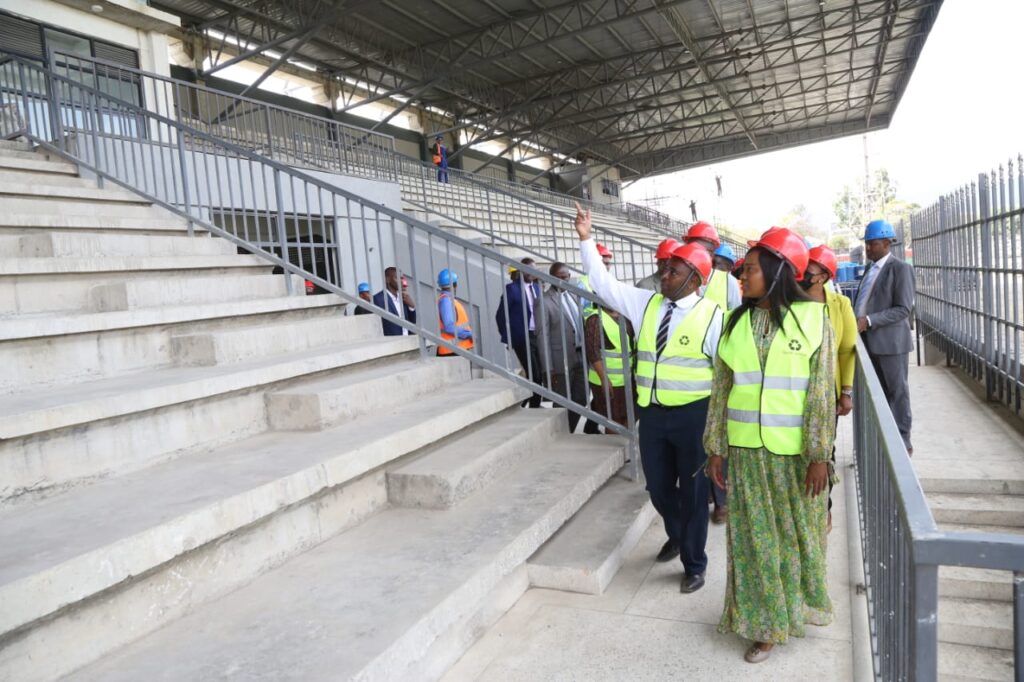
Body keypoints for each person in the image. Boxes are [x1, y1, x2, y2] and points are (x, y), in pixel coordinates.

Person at [574, 202, 723, 594]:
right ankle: (677, 533)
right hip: (653, 415)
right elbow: (605, 286)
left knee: (692, 494)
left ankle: (694, 562)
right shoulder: (648, 304)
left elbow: (725, 375)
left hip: (693, 416)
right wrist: (586, 240)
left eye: (673, 270)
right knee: (658, 486)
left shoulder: (712, 317)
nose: (664, 273)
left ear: (695, 278)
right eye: (665, 267)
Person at [705, 227, 835, 664]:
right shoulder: (734, 322)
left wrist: (820, 456)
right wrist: (715, 447)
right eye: (743, 269)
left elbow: (820, 394)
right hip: (745, 454)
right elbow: (721, 389)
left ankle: (789, 610)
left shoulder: (815, 320)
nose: (743, 276)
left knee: (794, 541)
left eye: (753, 269)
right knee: (753, 544)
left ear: (779, 272)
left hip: (795, 458)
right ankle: (765, 626)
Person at [683, 221, 741, 524]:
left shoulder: (726, 282)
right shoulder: (681, 278)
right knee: (695, 442)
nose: (702, 251)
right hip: (685, 378)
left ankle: (721, 501)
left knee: (717, 439)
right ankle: (705, 493)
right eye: (697, 245)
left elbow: (737, 324)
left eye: (707, 247)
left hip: (717, 372)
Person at [804, 245, 857, 532]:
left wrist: (846, 392)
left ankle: (823, 509)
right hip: (793, 393)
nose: (801, 273)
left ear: (823, 276)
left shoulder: (839, 305)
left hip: (827, 396)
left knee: (824, 452)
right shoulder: (790, 302)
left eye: (808, 269)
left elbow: (847, 350)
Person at [855, 219, 915, 453]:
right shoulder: (871, 269)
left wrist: (868, 320)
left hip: (891, 343)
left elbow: (903, 309)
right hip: (871, 342)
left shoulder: (900, 269)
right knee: (879, 393)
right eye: (867, 244)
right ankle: (885, 438)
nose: (868, 248)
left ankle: (903, 440)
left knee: (897, 391)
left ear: (887, 243)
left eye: (873, 244)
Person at [534, 262, 587, 432]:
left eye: (567, 277)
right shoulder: (543, 301)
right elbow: (543, 336)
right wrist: (547, 367)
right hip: (560, 361)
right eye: (560, 278)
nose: (564, 281)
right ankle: (561, 433)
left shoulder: (573, 295)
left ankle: (568, 430)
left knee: (581, 397)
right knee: (562, 401)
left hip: (580, 356)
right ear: (551, 278)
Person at [496, 258, 543, 408]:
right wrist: (507, 337)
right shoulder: (511, 289)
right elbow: (501, 315)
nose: (531, 273)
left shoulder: (537, 288)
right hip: (522, 337)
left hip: (537, 336)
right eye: (528, 269)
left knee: (540, 373)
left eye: (534, 270)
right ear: (521, 271)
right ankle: (534, 406)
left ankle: (526, 402)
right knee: (534, 374)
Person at [584, 305, 634, 432]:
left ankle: (623, 449)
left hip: (627, 379)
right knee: (613, 421)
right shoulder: (595, 319)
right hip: (608, 381)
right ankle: (615, 450)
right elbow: (592, 352)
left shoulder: (624, 315)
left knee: (627, 419)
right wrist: (604, 379)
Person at [683, 221, 742, 311]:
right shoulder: (674, 276)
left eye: (706, 251)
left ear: (712, 254)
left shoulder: (729, 282)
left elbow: (736, 318)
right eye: (694, 248)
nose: (699, 254)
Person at [437, 268, 472, 355]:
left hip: (456, 349)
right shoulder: (446, 301)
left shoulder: (448, 300)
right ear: (455, 285)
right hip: (451, 351)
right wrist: (468, 334)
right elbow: (449, 326)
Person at [372, 267, 416, 335]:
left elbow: (412, 322)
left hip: (407, 339)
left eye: (401, 278)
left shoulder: (403, 297)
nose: (401, 281)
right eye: (397, 278)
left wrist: (412, 307)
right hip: (392, 341)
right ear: (387, 280)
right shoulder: (378, 299)